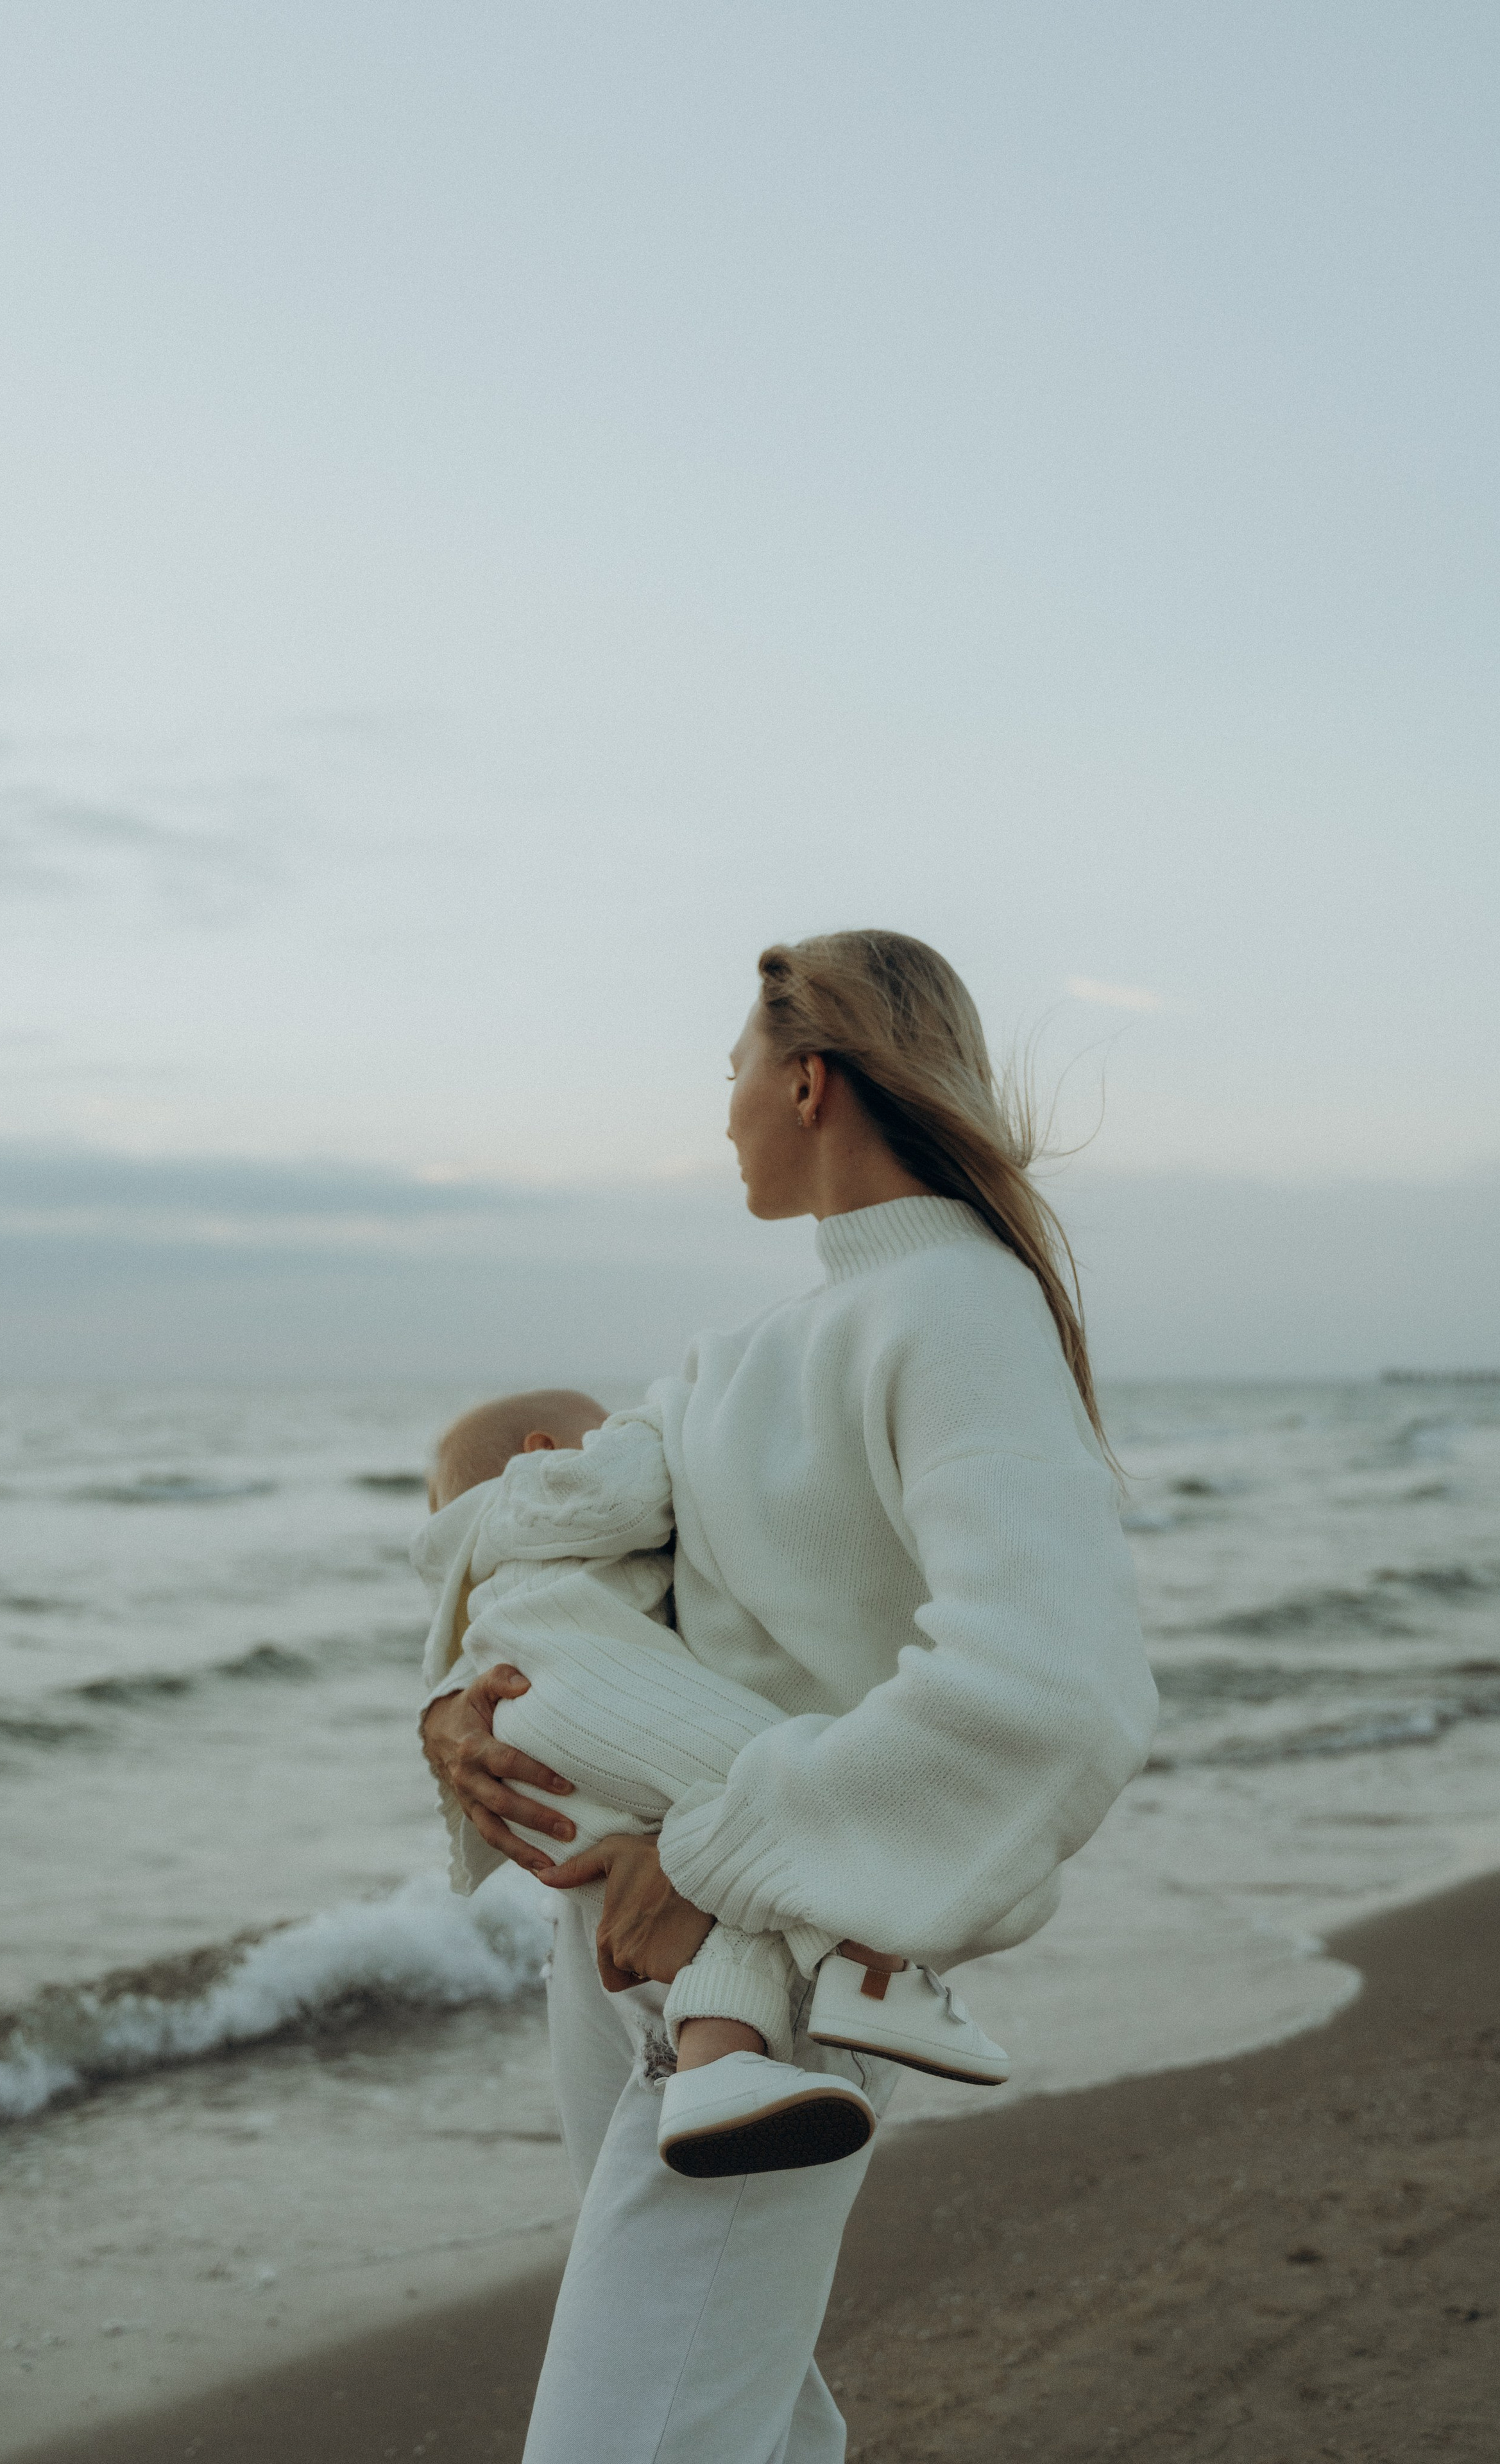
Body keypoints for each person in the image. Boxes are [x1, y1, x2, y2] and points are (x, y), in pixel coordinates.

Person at [420, 929, 1157, 2464]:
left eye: (734, 1074)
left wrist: (704, 1857)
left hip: (788, 1951)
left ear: (806, 1079)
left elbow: (1048, 1692)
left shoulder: (957, 1311)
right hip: (620, 1936)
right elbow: (584, 1575)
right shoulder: (727, 1358)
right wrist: (451, 1707)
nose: (725, 1111)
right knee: (735, 2417)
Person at [412, 1387, 1014, 2178]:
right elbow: (634, 1491)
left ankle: (720, 2071)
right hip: (593, 1695)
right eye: (597, 1431)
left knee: (729, 1898)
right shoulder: (537, 1497)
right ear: (540, 1454)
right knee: (775, 1782)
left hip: (562, 1741)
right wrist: (659, 1424)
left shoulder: (497, 1571)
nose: (614, 1439)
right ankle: (869, 1967)